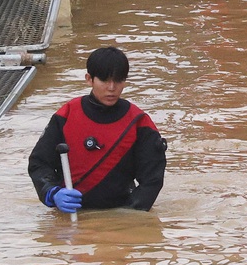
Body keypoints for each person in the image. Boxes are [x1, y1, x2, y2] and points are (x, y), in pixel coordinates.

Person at [28, 46, 167, 213]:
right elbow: (39, 163)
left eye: (118, 80)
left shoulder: (139, 123)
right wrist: (52, 193)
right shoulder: (66, 115)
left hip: (120, 212)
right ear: (89, 79)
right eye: (104, 80)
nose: (111, 88)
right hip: (69, 213)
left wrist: (128, 218)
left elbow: (152, 180)